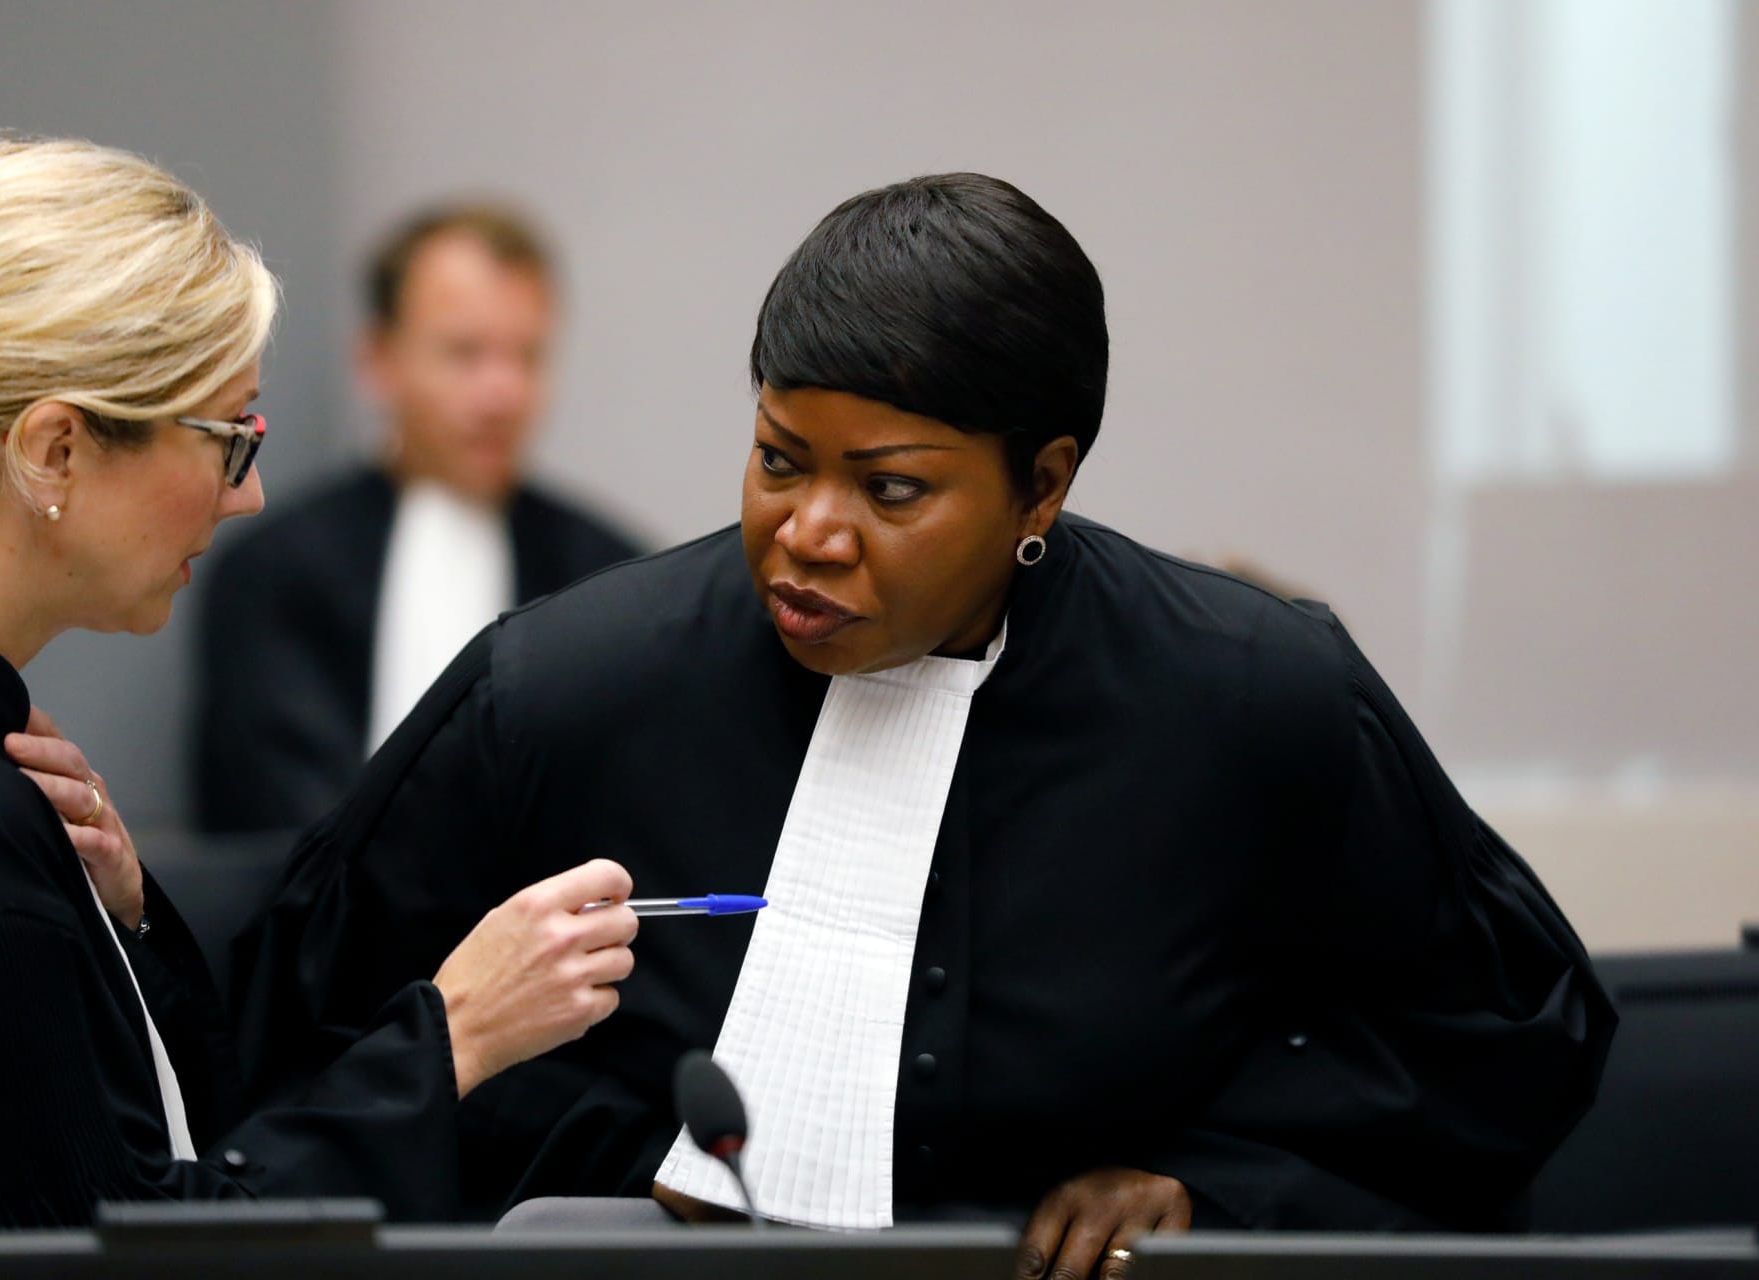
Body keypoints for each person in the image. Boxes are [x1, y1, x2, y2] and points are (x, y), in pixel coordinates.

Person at [234, 172, 1616, 1277]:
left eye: (890, 491)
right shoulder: (565, 687)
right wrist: (619, 1162)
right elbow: (297, 1038)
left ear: (1042, 488)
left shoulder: (1253, 696)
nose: (806, 535)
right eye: (779, 460)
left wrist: (1221, 1185)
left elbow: (1515, 1029)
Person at [0, 136, 638, 1229]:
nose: (248, 493)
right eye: (227, 436)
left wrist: (119, 920)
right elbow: (137, 1252)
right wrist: (452, 1034)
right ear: (55, 452)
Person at [191, 203, 642, 834]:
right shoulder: (276, 573)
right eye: (465, 353)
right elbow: (278, 817)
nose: (503, 393)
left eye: (528, 356)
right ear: (379, 359)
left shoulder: (610, 575)